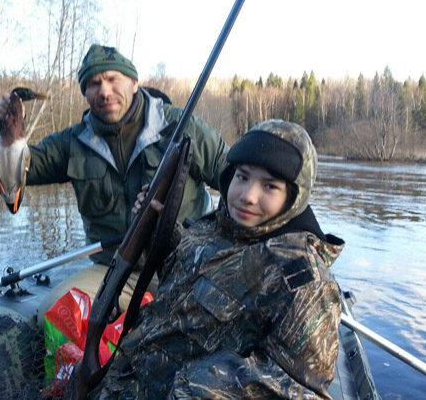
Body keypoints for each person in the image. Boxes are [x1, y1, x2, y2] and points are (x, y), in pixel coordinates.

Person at [91, 119, 344, 399]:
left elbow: (303, 390)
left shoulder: (303, 278)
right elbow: (183, 279)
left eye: (269, 186)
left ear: (293, 197)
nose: (248, 196)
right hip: (126, 381)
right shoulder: (214, 226)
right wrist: (156, 229)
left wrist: (202, 387)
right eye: (242, 176)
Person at [0, 44, 229, 316]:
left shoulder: (182, 127)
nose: (104, 91)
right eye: (94, 84)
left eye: (113, 79)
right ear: (85, 93)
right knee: (56, 314)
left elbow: (236, 184)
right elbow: (13, 181)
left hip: (186, 264)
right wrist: (7, 136)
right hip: (115, 271)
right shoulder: (72, 142)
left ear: (134, 83)